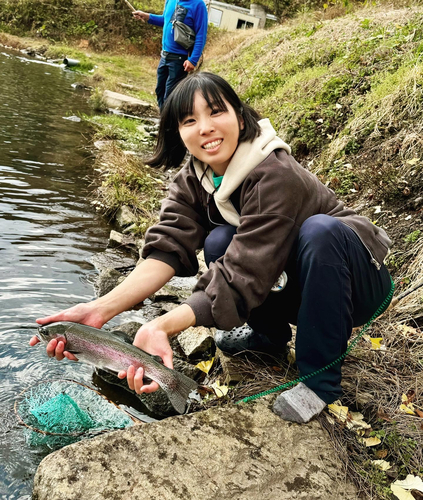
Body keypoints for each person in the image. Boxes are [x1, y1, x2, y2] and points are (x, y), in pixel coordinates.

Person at [30, 72, 393, 423]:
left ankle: (320, 383)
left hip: (356, 284)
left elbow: (244, 272)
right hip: (295, 279)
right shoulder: (194, 178)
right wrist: (99, 310)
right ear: (178, 131)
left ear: (239, 114)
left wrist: (164, 325)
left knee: (319, 231)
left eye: (216, 111)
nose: (205, 127)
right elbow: (166, 249)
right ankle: (268, 337)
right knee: (219, 240)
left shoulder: (274, 172)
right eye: (190, 120)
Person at [133, 0, 208, 110]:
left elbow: (201, 34)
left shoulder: (198, 4)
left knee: (170, 95)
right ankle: (164, 122)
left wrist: (193, 60)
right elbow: (166, 19)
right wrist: (147, 16)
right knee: (160, 90)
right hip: (164, 56)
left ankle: (167, 125)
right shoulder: (171, 1)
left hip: (180, 59)